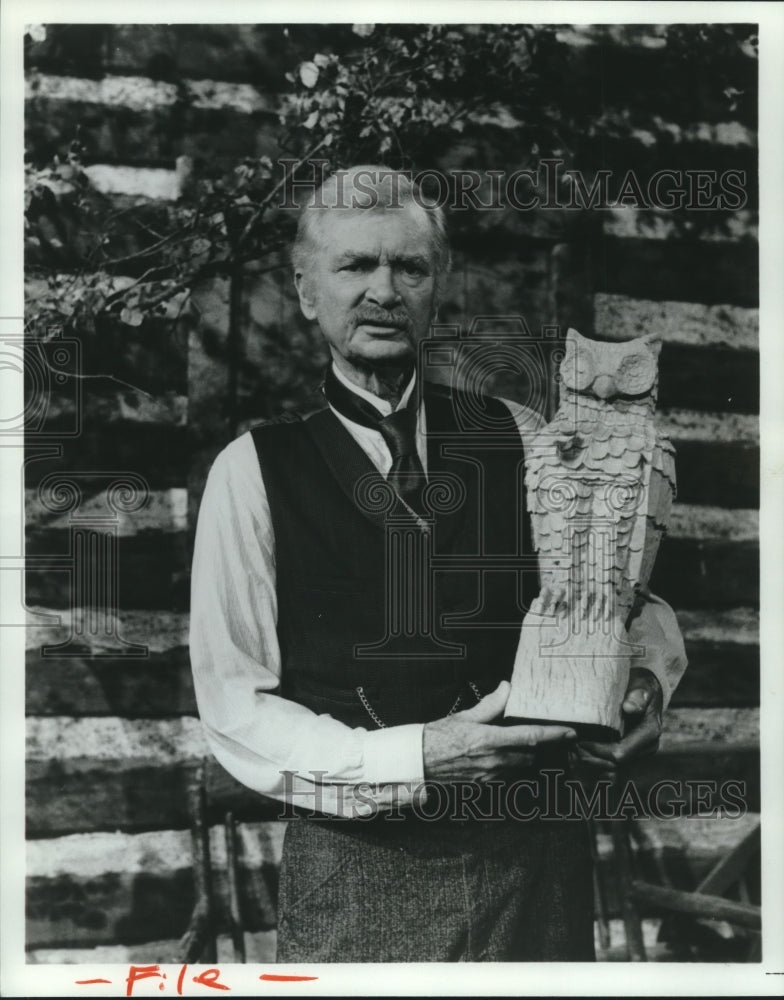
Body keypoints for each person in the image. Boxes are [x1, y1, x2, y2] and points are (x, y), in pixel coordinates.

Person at [189, 165, 687, 962]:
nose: (384, 290)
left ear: (436, 286)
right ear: (306, 288)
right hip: (360, 880)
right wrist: (419, 758)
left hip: (535, 865)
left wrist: (644, 689)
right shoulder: (251, 472)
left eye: (408, 267)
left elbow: (626, 592)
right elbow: (235, 705)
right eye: (355, 266)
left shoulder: (521, 433)